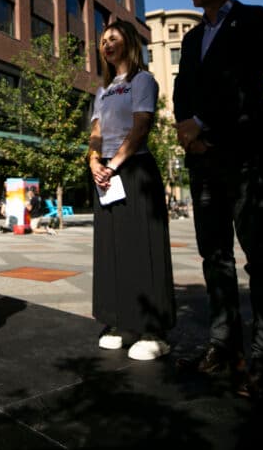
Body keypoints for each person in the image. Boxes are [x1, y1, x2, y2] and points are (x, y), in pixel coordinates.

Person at [172, 0, 263, 402]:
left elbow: (243, 79)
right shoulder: (192, 39)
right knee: (213, 256)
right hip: (203, 160)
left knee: (258, 255)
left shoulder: (256, 19)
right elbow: (183, 92)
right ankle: (225, 345)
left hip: (243, 154)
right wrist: (188, 132)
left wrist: (204, 124)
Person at [87, 19, 176, 361]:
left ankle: (153, 329)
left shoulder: (144, 81)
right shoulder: (103, 90)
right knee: (111, 249)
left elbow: (140, 128)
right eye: (102, 40)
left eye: (113, 37)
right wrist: (95, 161)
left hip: (135, 169)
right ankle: (117, 322)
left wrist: (114, 164)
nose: (106, 43)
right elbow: (96, 131)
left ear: (128, 41)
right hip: (106, 174)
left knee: (142, 247)